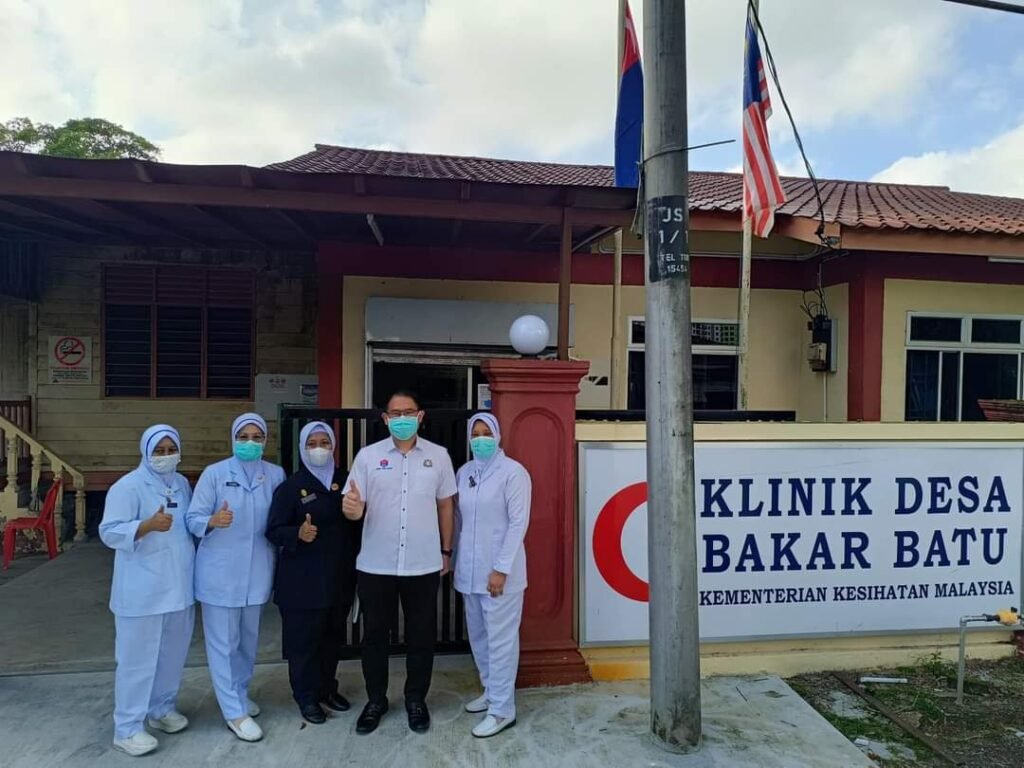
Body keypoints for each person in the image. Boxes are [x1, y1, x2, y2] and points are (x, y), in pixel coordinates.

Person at [342, 390, 456, 735]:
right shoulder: (368, 457)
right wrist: (352, 510)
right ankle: (376, 700)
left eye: (409, 412)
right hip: (376, 564)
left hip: (423, 563)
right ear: (385, 419)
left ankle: (415, 699)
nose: (402, 418)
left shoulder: (438, 456)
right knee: (375, 636)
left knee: (421, 635)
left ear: (420, 416)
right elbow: (354, 506)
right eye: (395, 413)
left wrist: (446, 551)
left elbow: (445, 505)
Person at [186, 413, 285, 743]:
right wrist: (212, 521)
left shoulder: (275, 474)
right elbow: (192, 518)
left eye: (257, 437)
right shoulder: (215, 474)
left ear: (265, 440)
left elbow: (281, 517)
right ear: (233, 438)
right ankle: (233, 712)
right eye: (243, 436)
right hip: (220, 574)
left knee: (247, 642)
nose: (250, 442)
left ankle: (240, 694)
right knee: (223, 645)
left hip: (257, 571)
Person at [99, 424, 196, 757]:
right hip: (142, 591)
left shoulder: (182, 484)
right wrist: (146, 526)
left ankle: (161, 709)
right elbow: (109, 531)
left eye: (171, 450)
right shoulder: (127, 487)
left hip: (178, 587)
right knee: (136, 662)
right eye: (159, 451)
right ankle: (127, 728)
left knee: (171, 656)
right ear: (145, 452)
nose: (166, 456)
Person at [266, 421, 360, 724]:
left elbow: (361, 521)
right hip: (302, 583)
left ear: (333, 446)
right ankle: (306, 697)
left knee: (331, 639)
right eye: (312, 443)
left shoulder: (347, 481)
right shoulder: (291, 487)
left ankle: (326, 689)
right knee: (303, 644)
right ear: (302, 448)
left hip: (338, 578)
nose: (319, 449)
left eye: (324, 443)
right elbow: (273, 530)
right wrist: (297, 533)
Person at [454, 413, 530, 738]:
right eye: (476, 433)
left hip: (501, 576)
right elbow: (459, 520)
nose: (481, 438)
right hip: (470, 573)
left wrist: (501, 568)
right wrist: (453, 559)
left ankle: (502, 709)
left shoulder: (513, 473)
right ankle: (490, 691)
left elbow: (518, 523)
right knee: (479, 637)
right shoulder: (464, 472)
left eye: (487, 432)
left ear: (498, 436)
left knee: (501, 642)